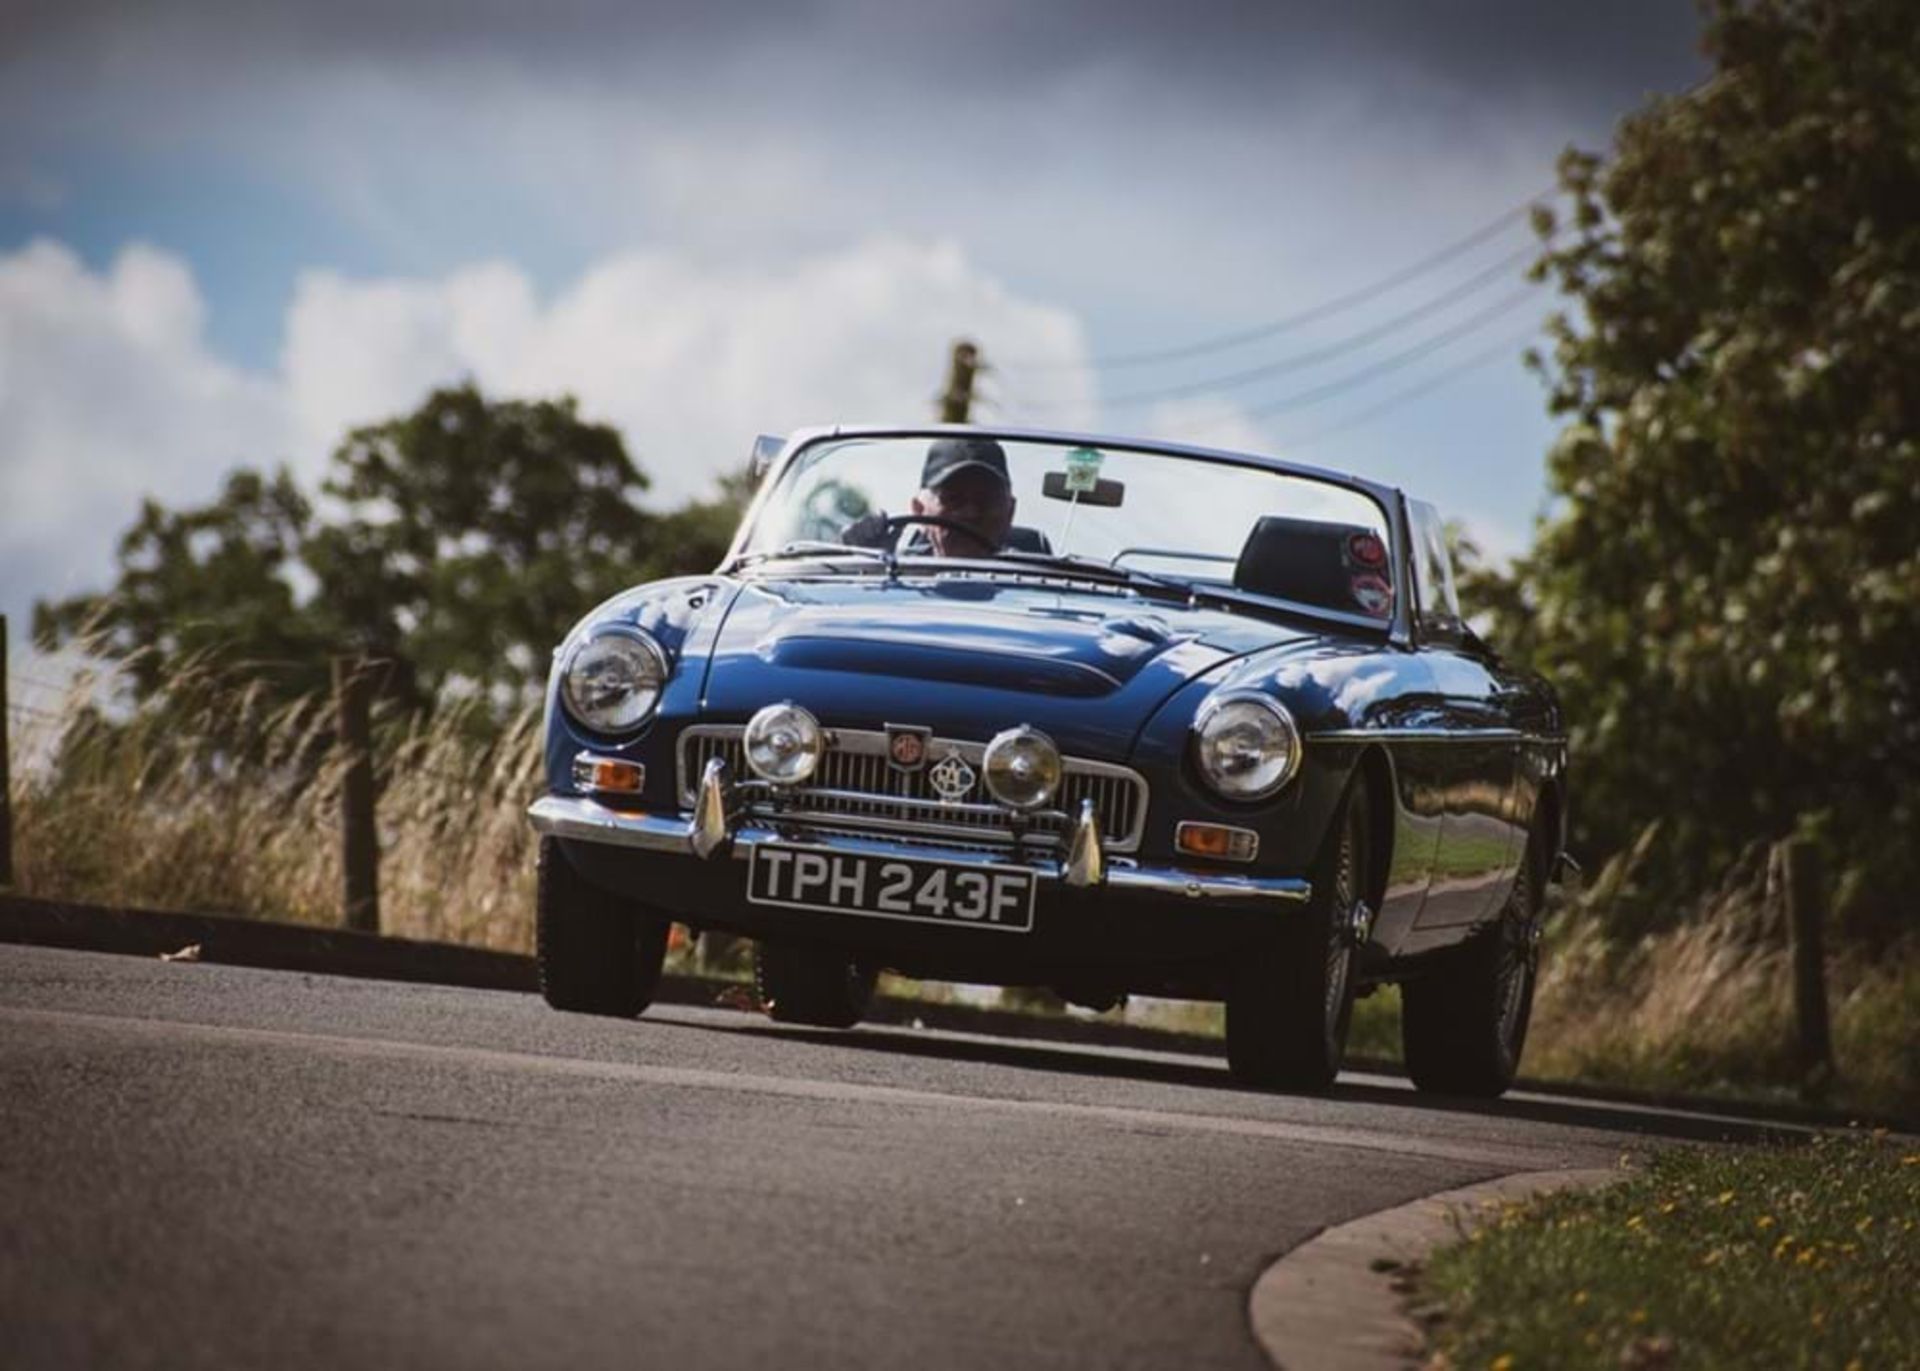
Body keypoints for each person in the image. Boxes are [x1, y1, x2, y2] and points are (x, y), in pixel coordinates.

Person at [845, 437, 1017, 557]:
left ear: (1010, 512)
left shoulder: (1037, 586)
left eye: (985, 500)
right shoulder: (896, 582)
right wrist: (864, 565)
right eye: (953, 499)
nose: (970, 513)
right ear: (919, 511)